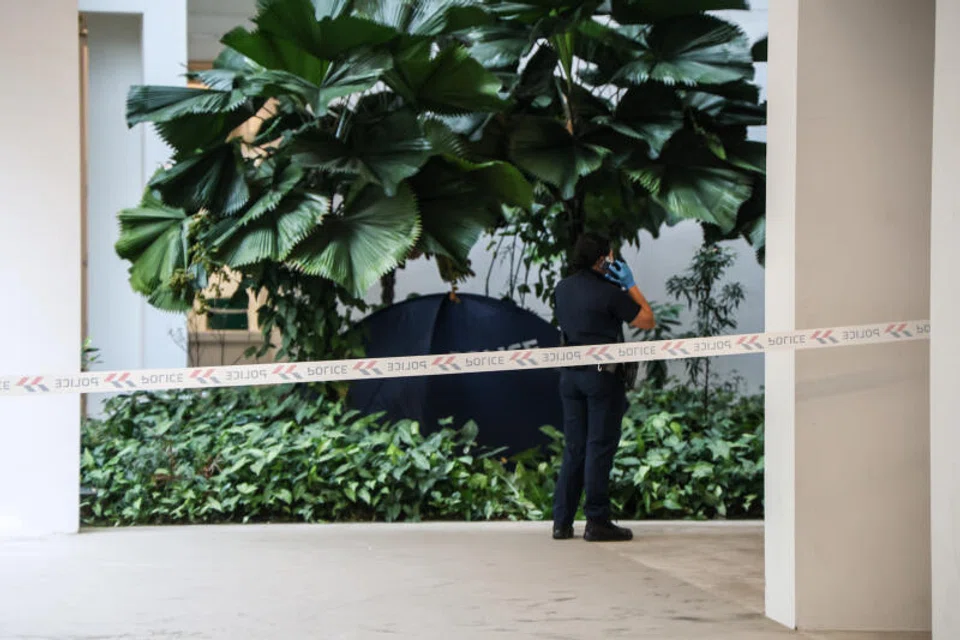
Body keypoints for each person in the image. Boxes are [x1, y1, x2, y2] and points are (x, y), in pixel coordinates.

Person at [551, 233, 656, 542]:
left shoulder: (562, 288)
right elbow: (647, 320)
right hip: (602, 378)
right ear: (601, 260)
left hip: (570, 376)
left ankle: (562, 522)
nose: (613, 260)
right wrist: (630, 285)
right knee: (599, 446)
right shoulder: (610, 293)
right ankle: (596, 521)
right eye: (609, 257)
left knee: (575, 448)